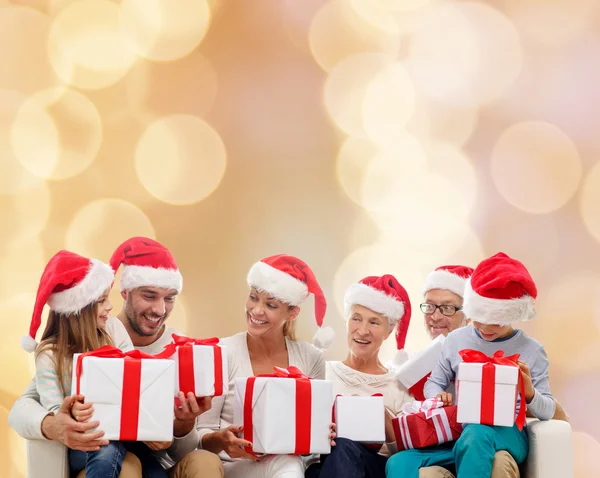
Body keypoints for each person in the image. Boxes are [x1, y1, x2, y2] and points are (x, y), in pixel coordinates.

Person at [9, 237, 223, 478]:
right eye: (150, 296)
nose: (161, 310)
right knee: (121, 462)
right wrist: (57, 422)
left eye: (170, 298)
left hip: (142, 449)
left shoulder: (181, 351)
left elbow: (177, 449)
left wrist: (178, 427)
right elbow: (23, 409)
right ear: (125, 292)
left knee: (174, 464)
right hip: (98, 448)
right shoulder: (58, 352)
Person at [387, 253, 555, 478]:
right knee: (398, 462)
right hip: (458, 433)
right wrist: (438, 396)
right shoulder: (457, 339)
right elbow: (433, 383)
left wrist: (529, 392)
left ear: (512, 314)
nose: (485, 328)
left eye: (495, 321)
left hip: (508, 434)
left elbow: (548, 412)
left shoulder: (532, 350)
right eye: (478, 317)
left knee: (476, 434)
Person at [23, 250, 165, 477]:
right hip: (87, 440)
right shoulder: (49, 355)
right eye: (101, 301)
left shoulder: (113, 330)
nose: (110, 306)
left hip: (125, 433)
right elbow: (54, 411)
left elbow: (135, 375)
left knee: (155, 472)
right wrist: (72, 412)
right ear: (77, 311)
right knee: (105, 450)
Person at [196, 254, 336, 478]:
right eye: (253, 298)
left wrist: (320, 435)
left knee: (288, 462)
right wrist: (222, 440)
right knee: (286, 464)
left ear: (292, 312)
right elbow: (201, 434)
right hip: (231, 466)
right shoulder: (223, 352)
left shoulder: (310, 357)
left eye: (271, 305)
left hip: (291, 466)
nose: (257, 311)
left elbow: (312, 449)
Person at [305, 274, 414, 478]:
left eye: (374, 322)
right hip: (323, 466)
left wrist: (385, 419)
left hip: (373, 469)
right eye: (356, 319)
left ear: (388, 332)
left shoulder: (399, 386)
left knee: (343, 447)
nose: (362, 331)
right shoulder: (321, 373)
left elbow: (407, 459)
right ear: (347, 321)